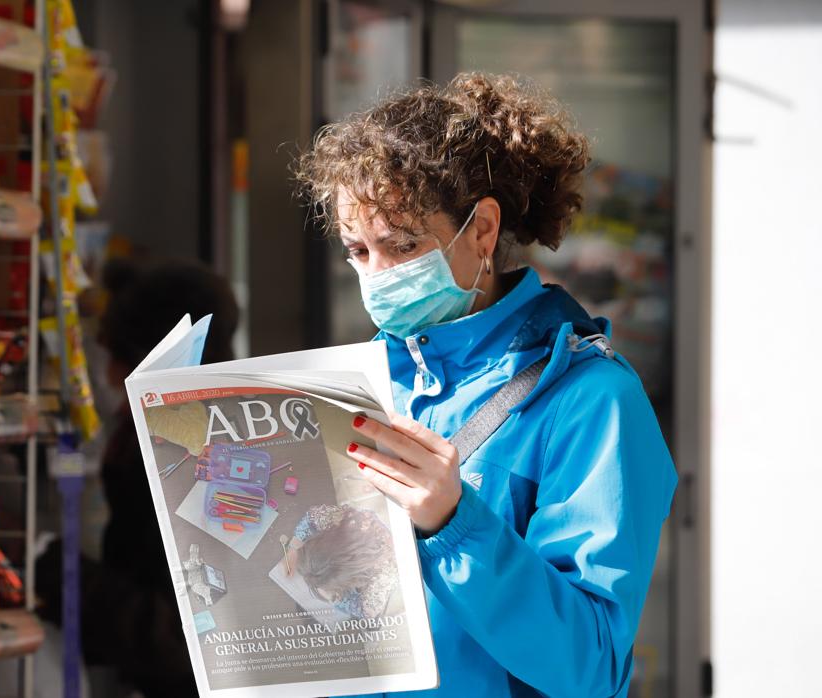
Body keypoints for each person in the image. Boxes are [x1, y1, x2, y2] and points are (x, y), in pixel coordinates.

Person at [295, 73, 676, 697]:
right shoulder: (366, 378)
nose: (379, 276)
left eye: (403, 245)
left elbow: (593, 668)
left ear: (482, 231)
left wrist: (454, 523)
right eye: (358, 251)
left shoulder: (590, 399)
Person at [36, 258, 239, 697]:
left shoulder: (205, 464)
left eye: (117, 358)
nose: (107, 379)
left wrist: (54, 569)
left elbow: (183, 640)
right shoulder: (183, 438)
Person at [286, 503, 399, 619]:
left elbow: (368, 612)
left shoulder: (385, 573)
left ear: (350, 580)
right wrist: (293, 547)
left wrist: (335, 598)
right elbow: (310, 517)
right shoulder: (339, 520)